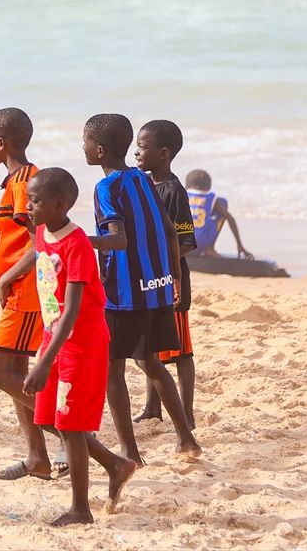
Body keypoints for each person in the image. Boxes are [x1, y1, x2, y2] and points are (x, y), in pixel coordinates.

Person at [82, 113, 201, 465]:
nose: (82, 147)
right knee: (151, 363)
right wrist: (173, 276)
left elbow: (118, 240)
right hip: (156, 288)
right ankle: (187, 440)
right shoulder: (142, 179)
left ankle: (130, 452)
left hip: (123, 295)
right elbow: (169, 230)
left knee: (112, 370)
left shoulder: (106, 188)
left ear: (99, 150)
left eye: (85, 142)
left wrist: (77, 239)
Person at [22, 167, 136, 526]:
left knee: (70, 425)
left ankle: (81, 510)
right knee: (48, 418)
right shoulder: (43, 232)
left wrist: (43, 362)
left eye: (35, 202)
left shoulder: (78, 245)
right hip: (54, 339)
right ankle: (114, 464)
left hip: (81, 344)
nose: (28, 207)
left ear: (60, 205)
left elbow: (72, 310)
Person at [0, 108, 65, 481]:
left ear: (2, 142)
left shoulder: (25, 182)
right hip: (21, 289)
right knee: (16, 372)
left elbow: (39, 242)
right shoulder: (19, 179)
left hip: (27, 292)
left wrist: (7, 278)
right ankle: (37, 459)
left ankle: (73, 434)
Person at [133, 120, 197, 428]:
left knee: (181, 352)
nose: (136, 152)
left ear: (164, 153)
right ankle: (152, 408)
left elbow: (186, 241)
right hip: (150, 281)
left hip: (173, 281)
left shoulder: (173, 190)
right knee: (151, 347)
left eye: (142, 147)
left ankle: (188, 413)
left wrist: (160, 263)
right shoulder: (143, 185)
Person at [185, 169, 253, 259]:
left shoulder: (181, 195)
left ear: (187, 184)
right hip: (201, 244)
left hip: (182, 243)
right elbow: (230, 219)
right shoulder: (212, 198)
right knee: (223, 202)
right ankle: (209, 249)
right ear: (208, 186)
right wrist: (239, 245)